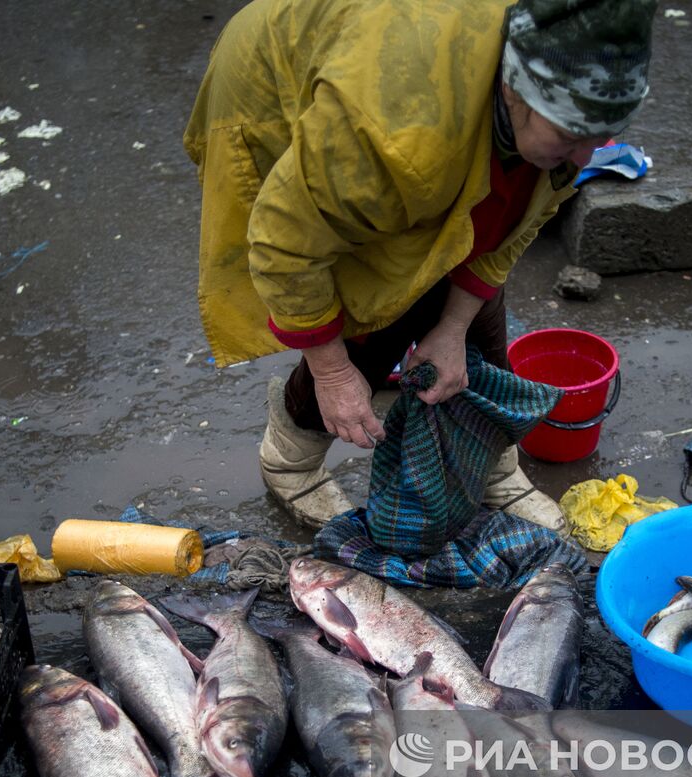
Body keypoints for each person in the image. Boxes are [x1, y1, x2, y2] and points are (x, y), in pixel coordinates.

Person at [184, 0, 656, 530]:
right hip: (282, 76)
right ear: (512, 89)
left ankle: (491, 463)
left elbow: (509, 230)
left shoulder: (562, 118)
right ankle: (289, 459)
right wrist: (332, 373)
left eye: (600, 138)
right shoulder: (390, 138)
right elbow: (285, 244)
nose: (585, 158)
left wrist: (453, 329)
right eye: (570, 136)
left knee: (463, 284)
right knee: (382, 297)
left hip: (424, 99)